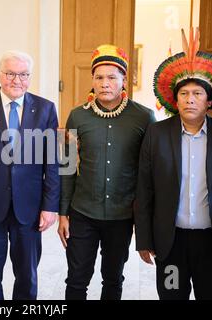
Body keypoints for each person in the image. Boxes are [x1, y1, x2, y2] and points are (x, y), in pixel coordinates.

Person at [135, 28, 212, 300]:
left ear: (209, 101)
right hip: (171, 244)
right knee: (172, 296)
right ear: (176, 99)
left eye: (197, 93)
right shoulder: (156, 134)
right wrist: (145, 240)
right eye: (184, 93)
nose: (190, 99)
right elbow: (144, 190)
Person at [0, 50, 60, 300]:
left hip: (30, 209)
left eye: (24, 74)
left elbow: (54, 163)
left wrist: (50, 206)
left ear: (30, 76)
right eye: (10, 74)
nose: (17, 80)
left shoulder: (46, 109)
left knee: (27, 276)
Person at [58, 44, 155, 300]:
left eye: (112, 77)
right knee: (77, 279)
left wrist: (145, 220)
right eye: (99, 77)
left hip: (121, 216)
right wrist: (63, 213)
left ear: (124, 79)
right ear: (92, 80)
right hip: (83, 212)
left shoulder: (144, 117)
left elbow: (149, 173)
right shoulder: (76, 116)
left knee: (113, 279)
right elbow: (66, 166)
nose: (105, 83)